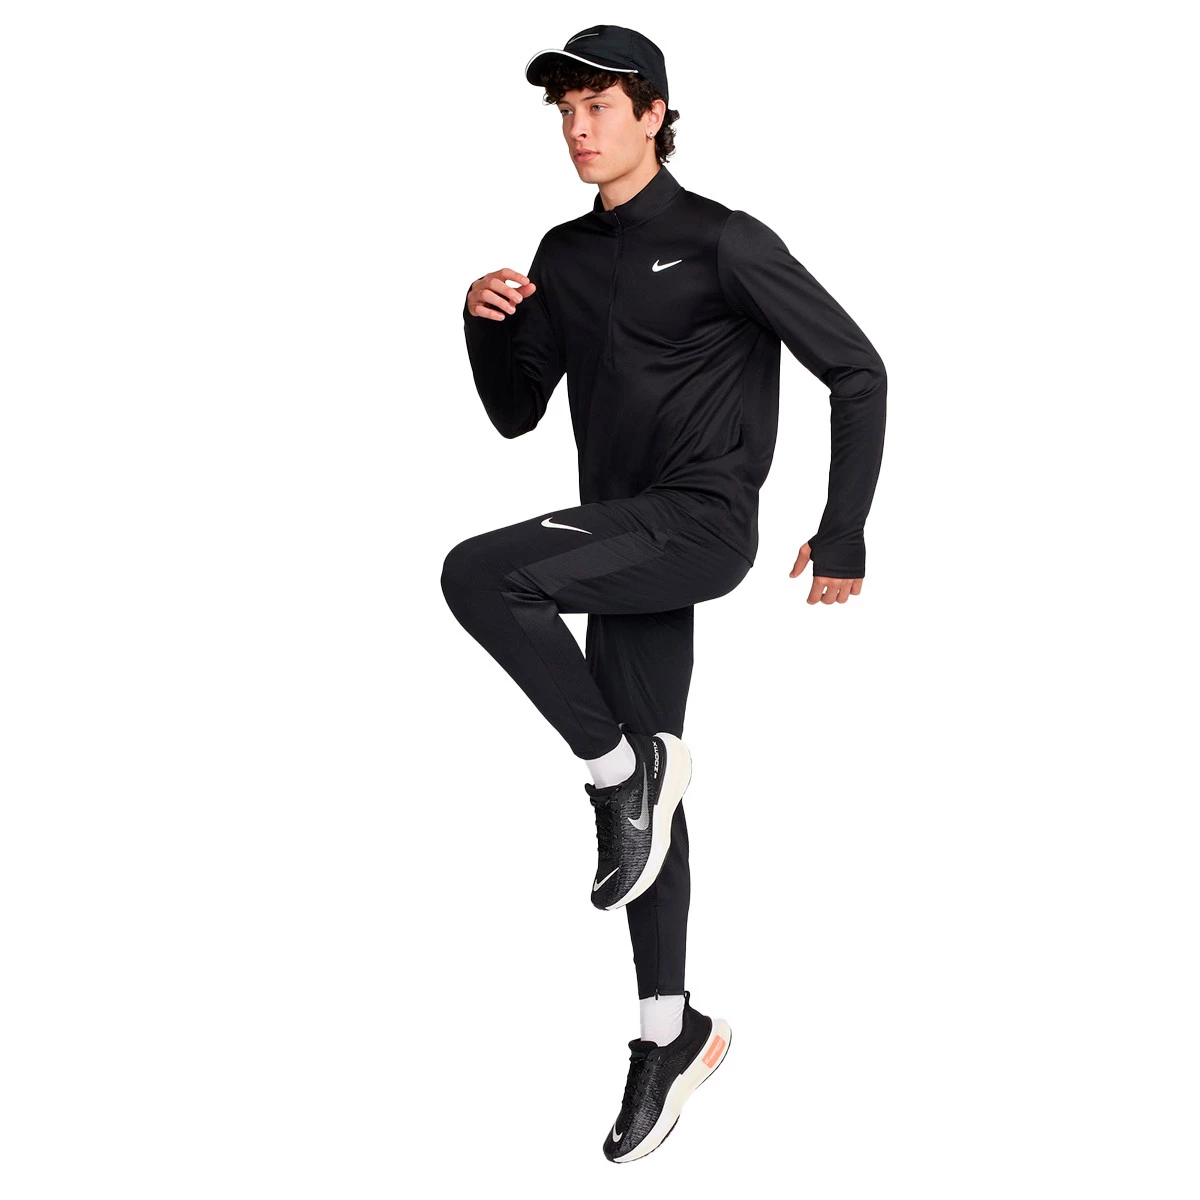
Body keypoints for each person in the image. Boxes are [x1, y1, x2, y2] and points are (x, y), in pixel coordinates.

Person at [441, 24, 887, 1163]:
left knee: (478, 573)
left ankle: (619, 772)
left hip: (698, 522)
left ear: (654, 115)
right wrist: (482, 325)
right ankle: (668, 1031)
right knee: (648, 816)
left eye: (600, 107)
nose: (578, 129)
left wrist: (842, 527)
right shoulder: (563, 252)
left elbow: (856, 368)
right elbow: (515, 412)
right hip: (618, 544)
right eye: (566, 112)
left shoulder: (723, 240)